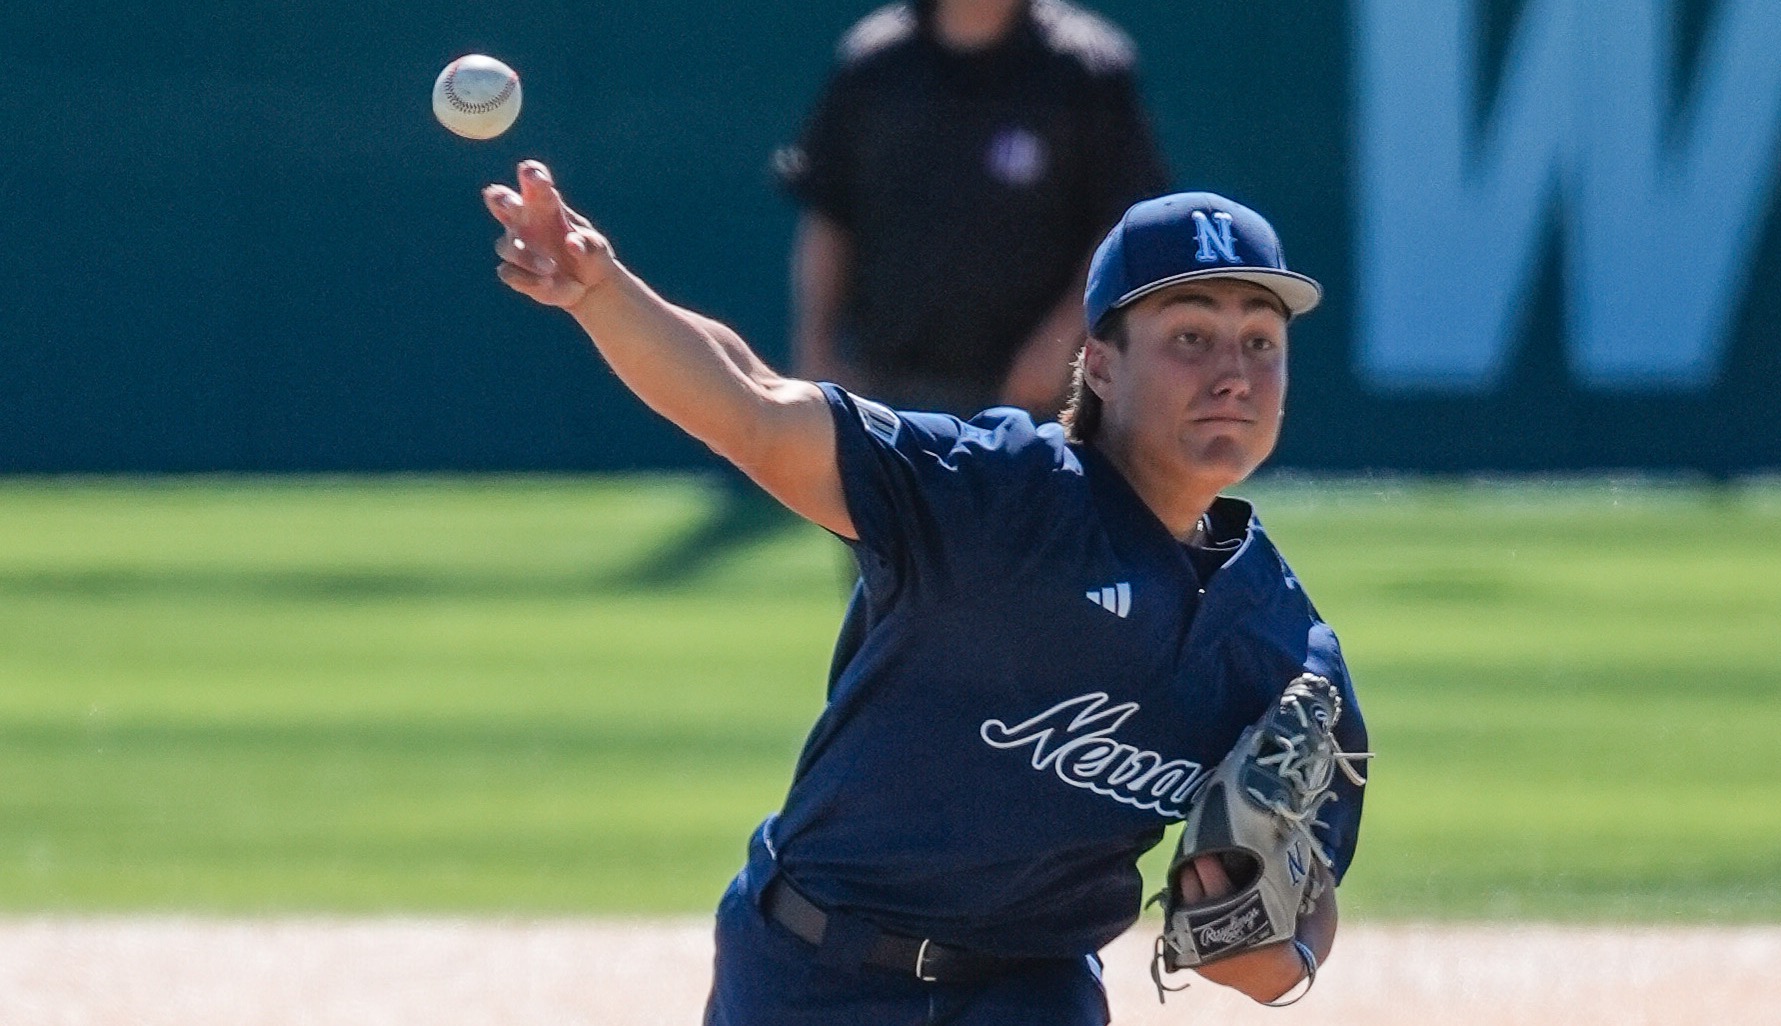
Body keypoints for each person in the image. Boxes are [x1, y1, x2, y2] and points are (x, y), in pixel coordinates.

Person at [483, 161, 1369, 1025]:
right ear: (1097, 364)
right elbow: (754, 407)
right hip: (809, 972)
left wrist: (1279, 964)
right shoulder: (993, 494)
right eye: (1190, 337)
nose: (1233, 375)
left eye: (1261, 342)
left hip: (1032, 991)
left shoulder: (1283, 646)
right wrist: (601, 295)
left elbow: (1312, 884)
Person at [778, 0, 1170, 418]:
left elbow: (1122, 227)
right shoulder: (874, 62)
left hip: (1034, 400)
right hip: (887, 392)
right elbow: (829, 216)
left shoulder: (1087, 68)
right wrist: (815, 353)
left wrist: (1063, 343)